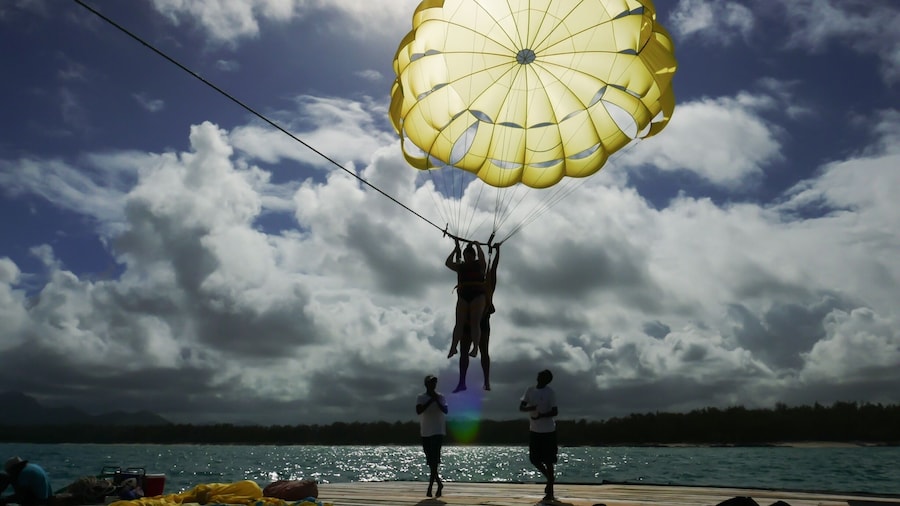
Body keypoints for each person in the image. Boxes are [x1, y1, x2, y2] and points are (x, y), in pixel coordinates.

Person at [452, 241, 500, 393]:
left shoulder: (488, 284)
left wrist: (497, 252)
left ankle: (486, 381)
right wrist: (457, 247)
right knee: (463, 351)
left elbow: (494, 267)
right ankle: (462, 382)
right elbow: (461, 267)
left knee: (484, 350)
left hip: (483, 320)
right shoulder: (466, 278)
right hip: (467, 320)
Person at [519, 370, 558, 503]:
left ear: (546, 380)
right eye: (539, 375)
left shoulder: (550, 392)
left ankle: (551, 491)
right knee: (534, 459)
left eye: (542, 376)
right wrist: (532, 409)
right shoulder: (530, 390)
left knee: (548, 460)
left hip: (548, 431)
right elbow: (521, 407)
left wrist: (542, 415)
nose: (538, 377)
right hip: (534, 430)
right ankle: (550, 479)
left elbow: (555, 411)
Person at [445, 238, 487, 358]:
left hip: (477, 295)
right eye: (466, 256)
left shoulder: (479, 264)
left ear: (473, 256)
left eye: (469, 256)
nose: (467, 258)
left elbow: (482, 257)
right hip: (463, 295)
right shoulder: (461, 267)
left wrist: (478, 246)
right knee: (459, 323)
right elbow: (448, 263)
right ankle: (453, 347)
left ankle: (475, 348)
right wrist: (455, 250)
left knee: (475, 322)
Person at [415, 374, 448, 498]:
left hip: (437, 431)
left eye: (435, 383)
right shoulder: (421, 397)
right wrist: (430, 400)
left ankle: (429, 488)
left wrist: (437, 400)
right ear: (426, 384)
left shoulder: (441, 397)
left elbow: (445, 410)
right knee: (430, 460)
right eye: (431, 383)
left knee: (435, 460)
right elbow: (419, 411)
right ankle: (439, 483)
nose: (433, 385)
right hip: (425, 432)